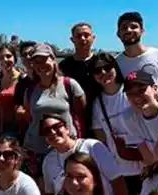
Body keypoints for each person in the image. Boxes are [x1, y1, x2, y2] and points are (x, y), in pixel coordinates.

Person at [40, 112, 128, 195]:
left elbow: (118, 184)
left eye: (57, 127)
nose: (53, 132)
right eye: (46, 131)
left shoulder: (93, 147)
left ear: (67, 128)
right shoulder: (48, 162)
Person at [89, 52, 145, 195]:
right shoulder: (98, 103)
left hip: (144, 162)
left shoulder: (130, 92)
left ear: (116, 68)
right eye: (97, 71)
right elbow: (100, 135)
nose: (104, 73)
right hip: (120, 167)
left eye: (107, 67)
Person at [22, 43, 86, 184]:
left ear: (53, 59)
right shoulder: (30, 91)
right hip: (36, 150)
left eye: (44, 60)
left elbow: (80, 112)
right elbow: (30, 118)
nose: (41, 65)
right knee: (41, 193)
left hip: (65, 150)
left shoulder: (70, 85)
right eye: (36, 62)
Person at [115, 12, 158, 101]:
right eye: (124, 27)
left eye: (134, 27)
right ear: (118, 33)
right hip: (131, 113)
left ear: (142, 31)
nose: (129, 30)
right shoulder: (116, 62)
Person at [59, 22, 100, 135]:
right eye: (78, 36)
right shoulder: (64, 66)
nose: (83, 38)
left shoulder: (102, 63)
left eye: (86, 35)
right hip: (74, 119)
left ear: (93, 38)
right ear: (72, 40)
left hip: (100, 116)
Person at [0, 43, 22, 138]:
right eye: (1, 57)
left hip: (17, 130)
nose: (5, 60)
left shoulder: (22, 79)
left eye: (8, 56)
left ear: (15, 59)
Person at [13, 41, 38, 140]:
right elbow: (18, 110)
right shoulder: (21, 83)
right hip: (28, 134)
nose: (28, 57)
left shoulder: (46, 80)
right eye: (24, 55)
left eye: (31, 54)